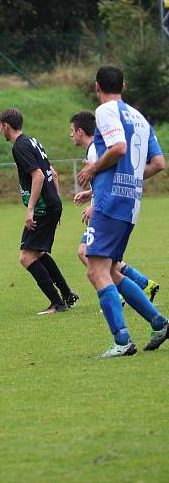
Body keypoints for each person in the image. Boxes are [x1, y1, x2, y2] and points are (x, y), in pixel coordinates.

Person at [76, 66, 169, 358]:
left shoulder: (105, 110)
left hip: (111, 202)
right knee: (111, 269)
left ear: (97, 87)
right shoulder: (139, 117)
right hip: (130, 203)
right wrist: (127, 179)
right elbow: (158, 163)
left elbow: (118, 147)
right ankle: (159, 323)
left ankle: (122, 341)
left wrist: (93, 168)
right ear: (124, 86)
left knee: (95, 269)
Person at [69, 110, 161, 304]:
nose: (70, 135)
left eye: (71, 130)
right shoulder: (94, 149)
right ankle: (143, 284)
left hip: (105, 208)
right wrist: (90, 193)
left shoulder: (95, 150)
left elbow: (109, 181)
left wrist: (95, 206)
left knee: (88, 253)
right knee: (102, 258)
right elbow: (104, 179)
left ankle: (114, 293)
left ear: (79, 131)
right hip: (108, 205)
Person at [0, 108, 78, 315]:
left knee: (26, 257)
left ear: (6, 125)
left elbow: (40, 176)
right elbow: (54, 172)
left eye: (0, 127)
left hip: (43, 208)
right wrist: (56, 204)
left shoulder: (20, 146)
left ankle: (58, 303)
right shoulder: (33, 141)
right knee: (39, 253)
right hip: (51, 205)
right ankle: (67, 294)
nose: (0, 131)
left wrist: (31, 209)